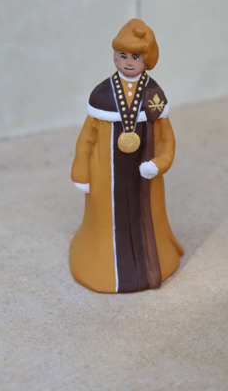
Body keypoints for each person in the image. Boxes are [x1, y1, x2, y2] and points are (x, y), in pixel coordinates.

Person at [70, 19, 183, 293]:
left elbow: (167, 139)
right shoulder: (102, 95)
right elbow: (86, 139)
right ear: (114, 56)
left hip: (144, 179)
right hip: (105, 178)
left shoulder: (154, 95)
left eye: (135, 56)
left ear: (147, 59)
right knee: (105, 222)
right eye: (122, 55)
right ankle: (102, 266)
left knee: (147, 218)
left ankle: (151, 263)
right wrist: (81, 173)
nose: (128, 62)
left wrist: (159, 164)